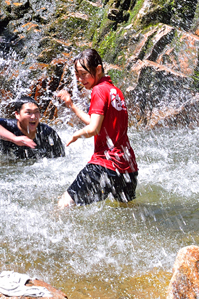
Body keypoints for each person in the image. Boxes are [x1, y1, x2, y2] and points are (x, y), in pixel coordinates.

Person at [56, 49, 138, 208]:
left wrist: (76, 134)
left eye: (83, 74)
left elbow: (93, 128)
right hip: (128, 167)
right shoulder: (115, 91)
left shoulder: (98, 90)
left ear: (98, 69)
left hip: (105, 164)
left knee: (64, 204)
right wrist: (71, 105)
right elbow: (97, 123)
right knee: (127, 214)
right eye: (77, 75)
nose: (80, 79)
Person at [0, 96, 65, 159]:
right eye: (28, 113)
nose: (33, 116)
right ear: (17, 114)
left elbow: (60, 158)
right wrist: (14, 138)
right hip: (6, 163)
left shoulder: (46, 132)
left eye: (36, 112)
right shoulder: (9, 126)